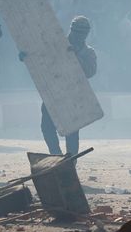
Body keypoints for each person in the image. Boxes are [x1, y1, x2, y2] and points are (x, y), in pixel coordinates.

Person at [20, 15, 97, 155]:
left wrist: (75, 56)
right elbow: (42, 56)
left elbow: (90, 72)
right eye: (76, 32)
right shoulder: (56, 45)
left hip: (73, 95)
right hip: (54, 92)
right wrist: (27, 56)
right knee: (47, 127)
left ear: (86, 34)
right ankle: (56, 155)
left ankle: (70, 162)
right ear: (71, 30)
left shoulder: (88, 52)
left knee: (72, 131)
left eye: (81, 33)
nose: (77, 36)